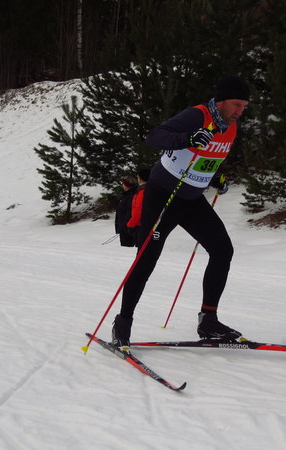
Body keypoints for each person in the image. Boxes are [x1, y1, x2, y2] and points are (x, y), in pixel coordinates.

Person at [112, 75, 250, 349]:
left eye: (244, 106)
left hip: (191, 198)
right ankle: (122, 323)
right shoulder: (197, 116)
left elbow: (207, 158)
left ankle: (208, 321)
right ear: (220, 101)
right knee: (147, 257)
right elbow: (154, 137)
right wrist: (188, 138)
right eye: (236, 104)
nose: (240, 111)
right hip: (164, 194)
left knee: (222, 250)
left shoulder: (231, 127)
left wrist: (215, 177)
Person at [124, 168, 151, 244]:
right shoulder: (146, 189)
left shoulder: (142, 191)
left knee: (141, 247)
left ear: (141, 179)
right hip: (144, 224)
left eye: (138, 177)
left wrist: (131, 224)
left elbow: (138, 210)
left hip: (141, 225)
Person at [114, 176, 138, 247]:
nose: (122, 185)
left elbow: (131, 212)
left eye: (123, 184)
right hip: (124, 228)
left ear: (127, 185)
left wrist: (125, 226)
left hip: (129, 229)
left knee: (128, 248)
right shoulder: (125, 195)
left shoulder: (133, 195)